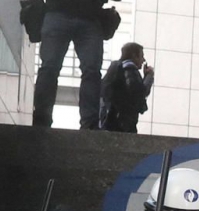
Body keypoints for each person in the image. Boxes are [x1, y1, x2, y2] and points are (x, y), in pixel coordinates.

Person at [33, 0, 108, 129]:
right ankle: (88, 124)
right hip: (80, 14)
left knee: (50, 68)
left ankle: (42, 121)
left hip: (73, 14)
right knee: (90, 71)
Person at [100, 42, 154, 133]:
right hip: (123, 123)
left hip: (109, 120)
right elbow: (139, 93)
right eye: (141, 56)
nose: (143, 60)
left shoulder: (115, 68)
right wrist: (149, 77)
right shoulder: (129, 68)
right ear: (134, 56)